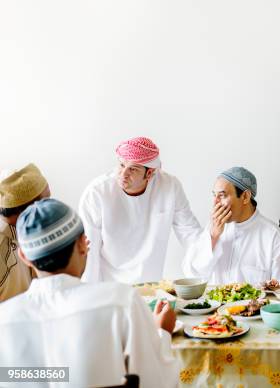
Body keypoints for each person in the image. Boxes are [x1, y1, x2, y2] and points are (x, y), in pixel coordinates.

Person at [0, 199, 179, 387]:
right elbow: (158, 382)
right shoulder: (121, 303)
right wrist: (162, 334)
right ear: (83, 244)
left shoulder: (3, 320)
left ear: (24, 257)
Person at [79, 136, 202, 283]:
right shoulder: (97, 192)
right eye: (121, 165)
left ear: (149, 174)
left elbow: (190, 234)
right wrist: (89, 294)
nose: (123, 174)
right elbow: (88, 252)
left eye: (133, 169)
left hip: (151, 287)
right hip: (108, 286)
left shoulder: (170, 186)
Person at [183, 167, 280, 284]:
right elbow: (192, 275)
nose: (215, 203)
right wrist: (213, 236)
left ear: (245, 197)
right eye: (214, 195)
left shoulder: (275, 238)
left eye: (222, 195)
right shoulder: (213, 229)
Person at [0, 163, 50, 301]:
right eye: (46, 201)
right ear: (29, 209)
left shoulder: (28, 231)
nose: (50, 208)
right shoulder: (3, 250)